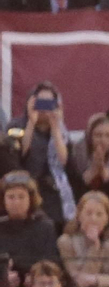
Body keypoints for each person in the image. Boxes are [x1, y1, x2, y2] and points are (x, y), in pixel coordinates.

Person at [15, 82, 80, 228]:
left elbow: (64, 161)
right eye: (40, 101)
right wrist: (31, 122)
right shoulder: (17, 125)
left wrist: (56, 126)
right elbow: (21, 153)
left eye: (49, 102)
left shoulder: (61, 132)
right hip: (28, 191)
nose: (44, 107)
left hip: (55, 195)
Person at [0, 171, 62, 287]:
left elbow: (52, 262)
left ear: (30, 199)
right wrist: (3, 277)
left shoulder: (45, 227)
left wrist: (36, 277)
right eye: (11, 197)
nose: (16, 202)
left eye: (21, 197)